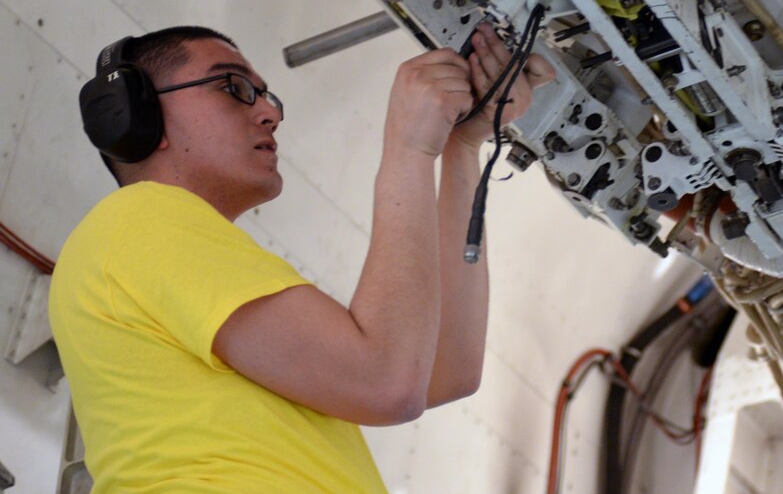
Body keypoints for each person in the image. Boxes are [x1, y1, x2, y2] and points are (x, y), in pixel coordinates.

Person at [49, 24, 555, 492]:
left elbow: (446, 370)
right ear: (136, 118)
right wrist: (408, 146)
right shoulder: (140, 219)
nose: (270, 112)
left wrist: (461, 145)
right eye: (232, 87)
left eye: (267, 95)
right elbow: (387, 381)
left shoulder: (159, 248)